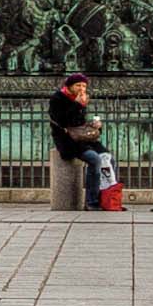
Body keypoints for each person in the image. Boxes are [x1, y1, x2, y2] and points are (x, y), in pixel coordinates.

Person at [49, 73, 102, 210]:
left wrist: (94, 126)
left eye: (84, 86)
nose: (81, 88)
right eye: (78, 85)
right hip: (67, 141)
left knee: (109, 158)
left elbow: (79, 124)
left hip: (82, 139)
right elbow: (63, 121)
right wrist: (77, 104)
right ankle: (92, 202)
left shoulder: (80, 100)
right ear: (70, 86)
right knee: (95, 159)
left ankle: (107, 197)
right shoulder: (57, 99)